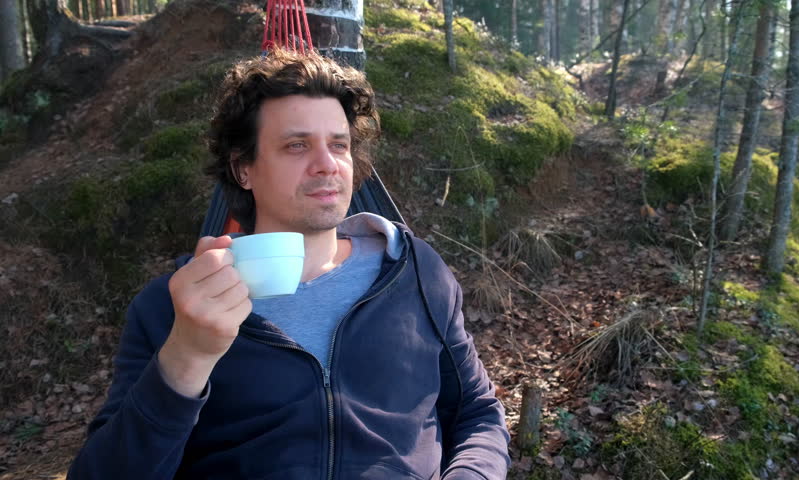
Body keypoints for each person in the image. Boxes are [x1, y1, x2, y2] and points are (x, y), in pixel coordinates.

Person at [67, 48, 510, 479]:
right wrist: (187, 356)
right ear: (244, 169)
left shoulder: (414, 270)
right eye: (297, 146)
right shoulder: (173, 306)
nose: (327, 165)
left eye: (339, 145)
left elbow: (476, 411)